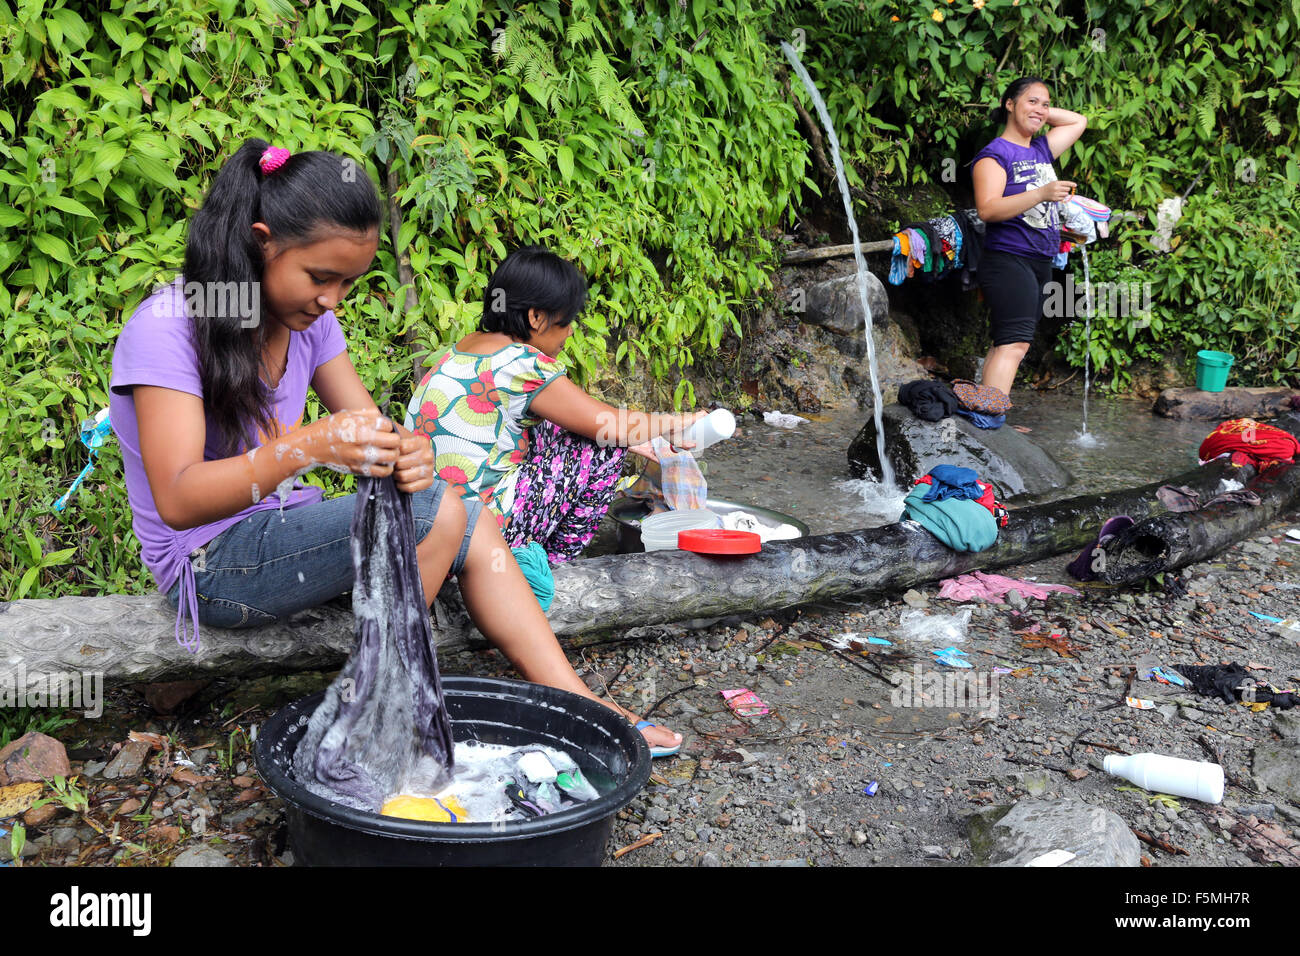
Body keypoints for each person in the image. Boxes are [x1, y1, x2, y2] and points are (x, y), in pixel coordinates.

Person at [109, 140, 681, 756]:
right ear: (261, 240)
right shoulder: (168, 326)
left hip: (285, 526)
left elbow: (371, 424)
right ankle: (377, 714)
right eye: (320, 277)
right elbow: (177, 497)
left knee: (462, 508)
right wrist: (305, 447)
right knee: (438, 509)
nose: (333, 300)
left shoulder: (311, 321)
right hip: (210, 561)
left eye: (348, 284)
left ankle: (581, 704)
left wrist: (409, 453)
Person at [405, 245, 707, 563]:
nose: (571, 330)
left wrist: (643, 440)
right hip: (473, 533)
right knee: (606, 446)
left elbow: (560, 420)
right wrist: (677, 422)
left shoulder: (468, 347)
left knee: (587, 432)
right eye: (567, 321)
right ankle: (549, 565)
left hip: (426, 527)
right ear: (536, 317)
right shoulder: (523, 364)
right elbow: (611, 427)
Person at [972, 76, 1087, 398]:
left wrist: (1035, 113)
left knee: (1007, 341)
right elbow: (988, 210)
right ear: (1009, 104)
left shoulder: (1040, 149)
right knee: (1015, 343)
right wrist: (1041, 194)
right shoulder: (994, 154)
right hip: (1008, 258)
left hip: (1040, 260)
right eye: (1031, 101)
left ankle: (986, 409)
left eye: (1046, 103)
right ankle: (990, 418)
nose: (1041, 109)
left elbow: (1079, 121)